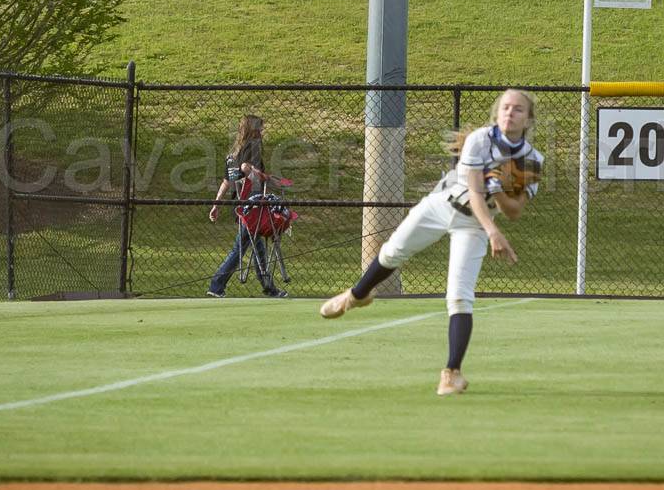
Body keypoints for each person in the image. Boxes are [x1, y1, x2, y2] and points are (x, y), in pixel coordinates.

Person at [319, 89, 543, 396]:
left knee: (460, 297)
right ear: (497, 112)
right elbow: (476, 195)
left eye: (518, 109)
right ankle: (356, 295)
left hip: (474, 226)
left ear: (528, 119)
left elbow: (515, 211)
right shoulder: (480, 139)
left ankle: (452, 373)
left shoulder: (531, 159)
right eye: (505, 107)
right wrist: (493, 228)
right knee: (393, 251)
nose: (510, 113)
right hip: (442, 204)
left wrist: (499, 189)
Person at [207, 114, 288, 298]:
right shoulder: (253, 148)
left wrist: (216, 204)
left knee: (258, 248)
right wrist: (262, 175)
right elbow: (245, 168)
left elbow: (227, 181)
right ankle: (216, 285)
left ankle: (269, 288)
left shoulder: (232, 154)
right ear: (253, 130)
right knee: (241, 248)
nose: (262, 132)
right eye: (260, 128)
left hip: (242, 206)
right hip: (252, 206)